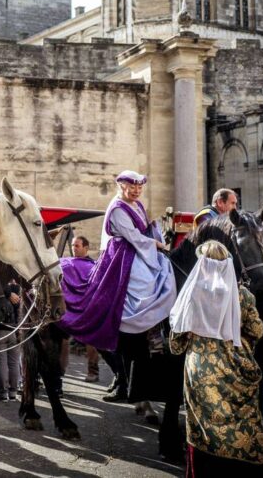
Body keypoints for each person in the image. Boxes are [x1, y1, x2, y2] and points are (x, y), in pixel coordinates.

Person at [59, 170, 175, 417]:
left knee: (161, 270)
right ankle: (137, 314)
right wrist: (154, 244)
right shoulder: (118, 209)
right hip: (123, 254)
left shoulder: (138, 205)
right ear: (122, 187)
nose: (135, 191)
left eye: (139, 188)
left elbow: (142, 230)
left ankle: (153, 326)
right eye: (131, 187)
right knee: (144, 280)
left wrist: (154, 232)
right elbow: (132, 236)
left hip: (137, 249)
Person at [170, 240, 263, 476]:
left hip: (201, 369)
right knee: (241, 423)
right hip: (235, 366)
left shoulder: (191, 295)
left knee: (202, 425)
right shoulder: (242, 295)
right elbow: (257, 331)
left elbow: (175, 344)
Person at [59, 236, 103, 382]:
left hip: (86, 310)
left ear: (86, 248)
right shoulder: (65, 262)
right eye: (73, 245)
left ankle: (93, 371)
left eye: (77, 245)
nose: (74, 248)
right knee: (63, 340)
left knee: (91, 341)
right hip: (67, 310)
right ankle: (60, 370)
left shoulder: (94, 266)